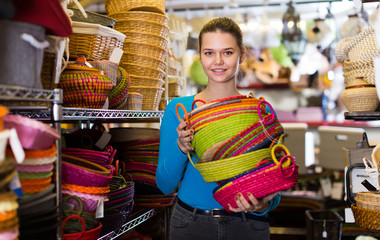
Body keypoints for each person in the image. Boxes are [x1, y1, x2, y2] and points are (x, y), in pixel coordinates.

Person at [156, 17, 281, 240]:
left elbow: (274, 180)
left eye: (227, 52)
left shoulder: (260, 111)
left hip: (249, 224)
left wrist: (263, 204)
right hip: (191, 225)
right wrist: (181, 147)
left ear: (242, 55)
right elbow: (165, 185)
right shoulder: (179, 109)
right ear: (200, 56)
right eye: (209, 53)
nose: (218, 61)